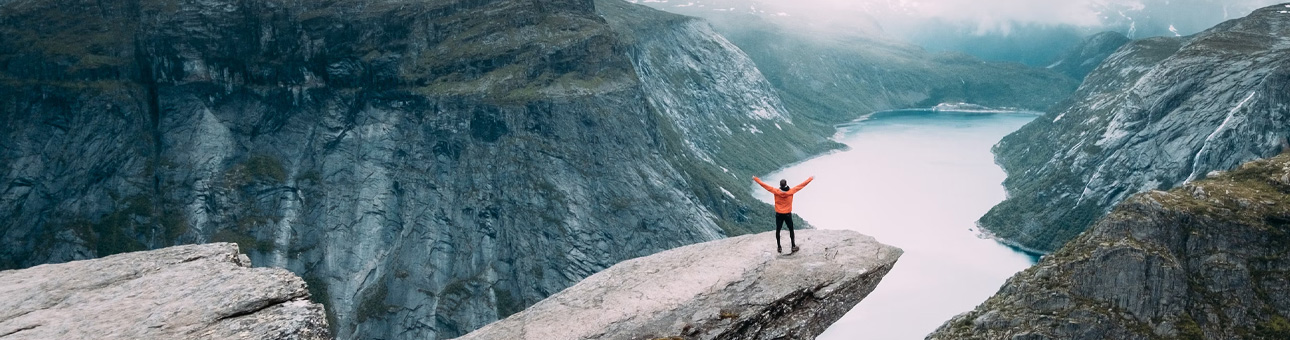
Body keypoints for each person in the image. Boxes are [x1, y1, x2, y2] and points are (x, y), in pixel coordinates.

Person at [753, 175, 814, 254]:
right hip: (787, 214)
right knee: (791, 230)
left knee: (778, 230)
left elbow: (764, 185)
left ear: (780, 185)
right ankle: (793, 246)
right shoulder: (791, 191)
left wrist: (755, 179)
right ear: (786, 184)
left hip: (779, 214)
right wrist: (810, 178)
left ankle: (779, 247)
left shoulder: (775, 191)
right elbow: (802, 185)